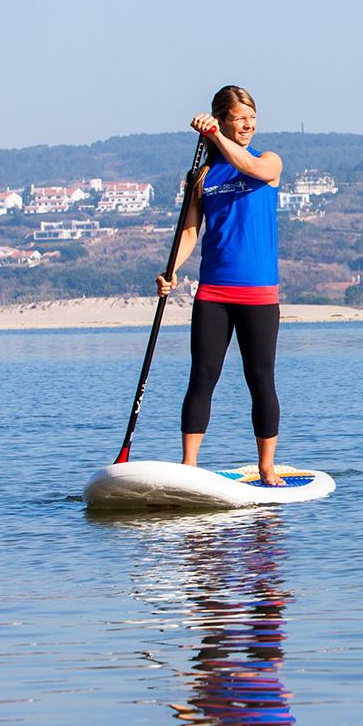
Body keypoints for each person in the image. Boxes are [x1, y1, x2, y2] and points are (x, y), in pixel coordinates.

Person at [158, 86, 285, 485]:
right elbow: (191, 229)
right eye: (239, 118)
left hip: (259, 294)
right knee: (203, 375)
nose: (248, 124)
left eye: (252, 118)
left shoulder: (268, 161)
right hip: (213, 292)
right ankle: (189, 468)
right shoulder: (203, 174)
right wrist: (171, 270)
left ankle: (266, 468)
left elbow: (248, 167)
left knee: (259, 377)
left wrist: (215, 136)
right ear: (223, 119)